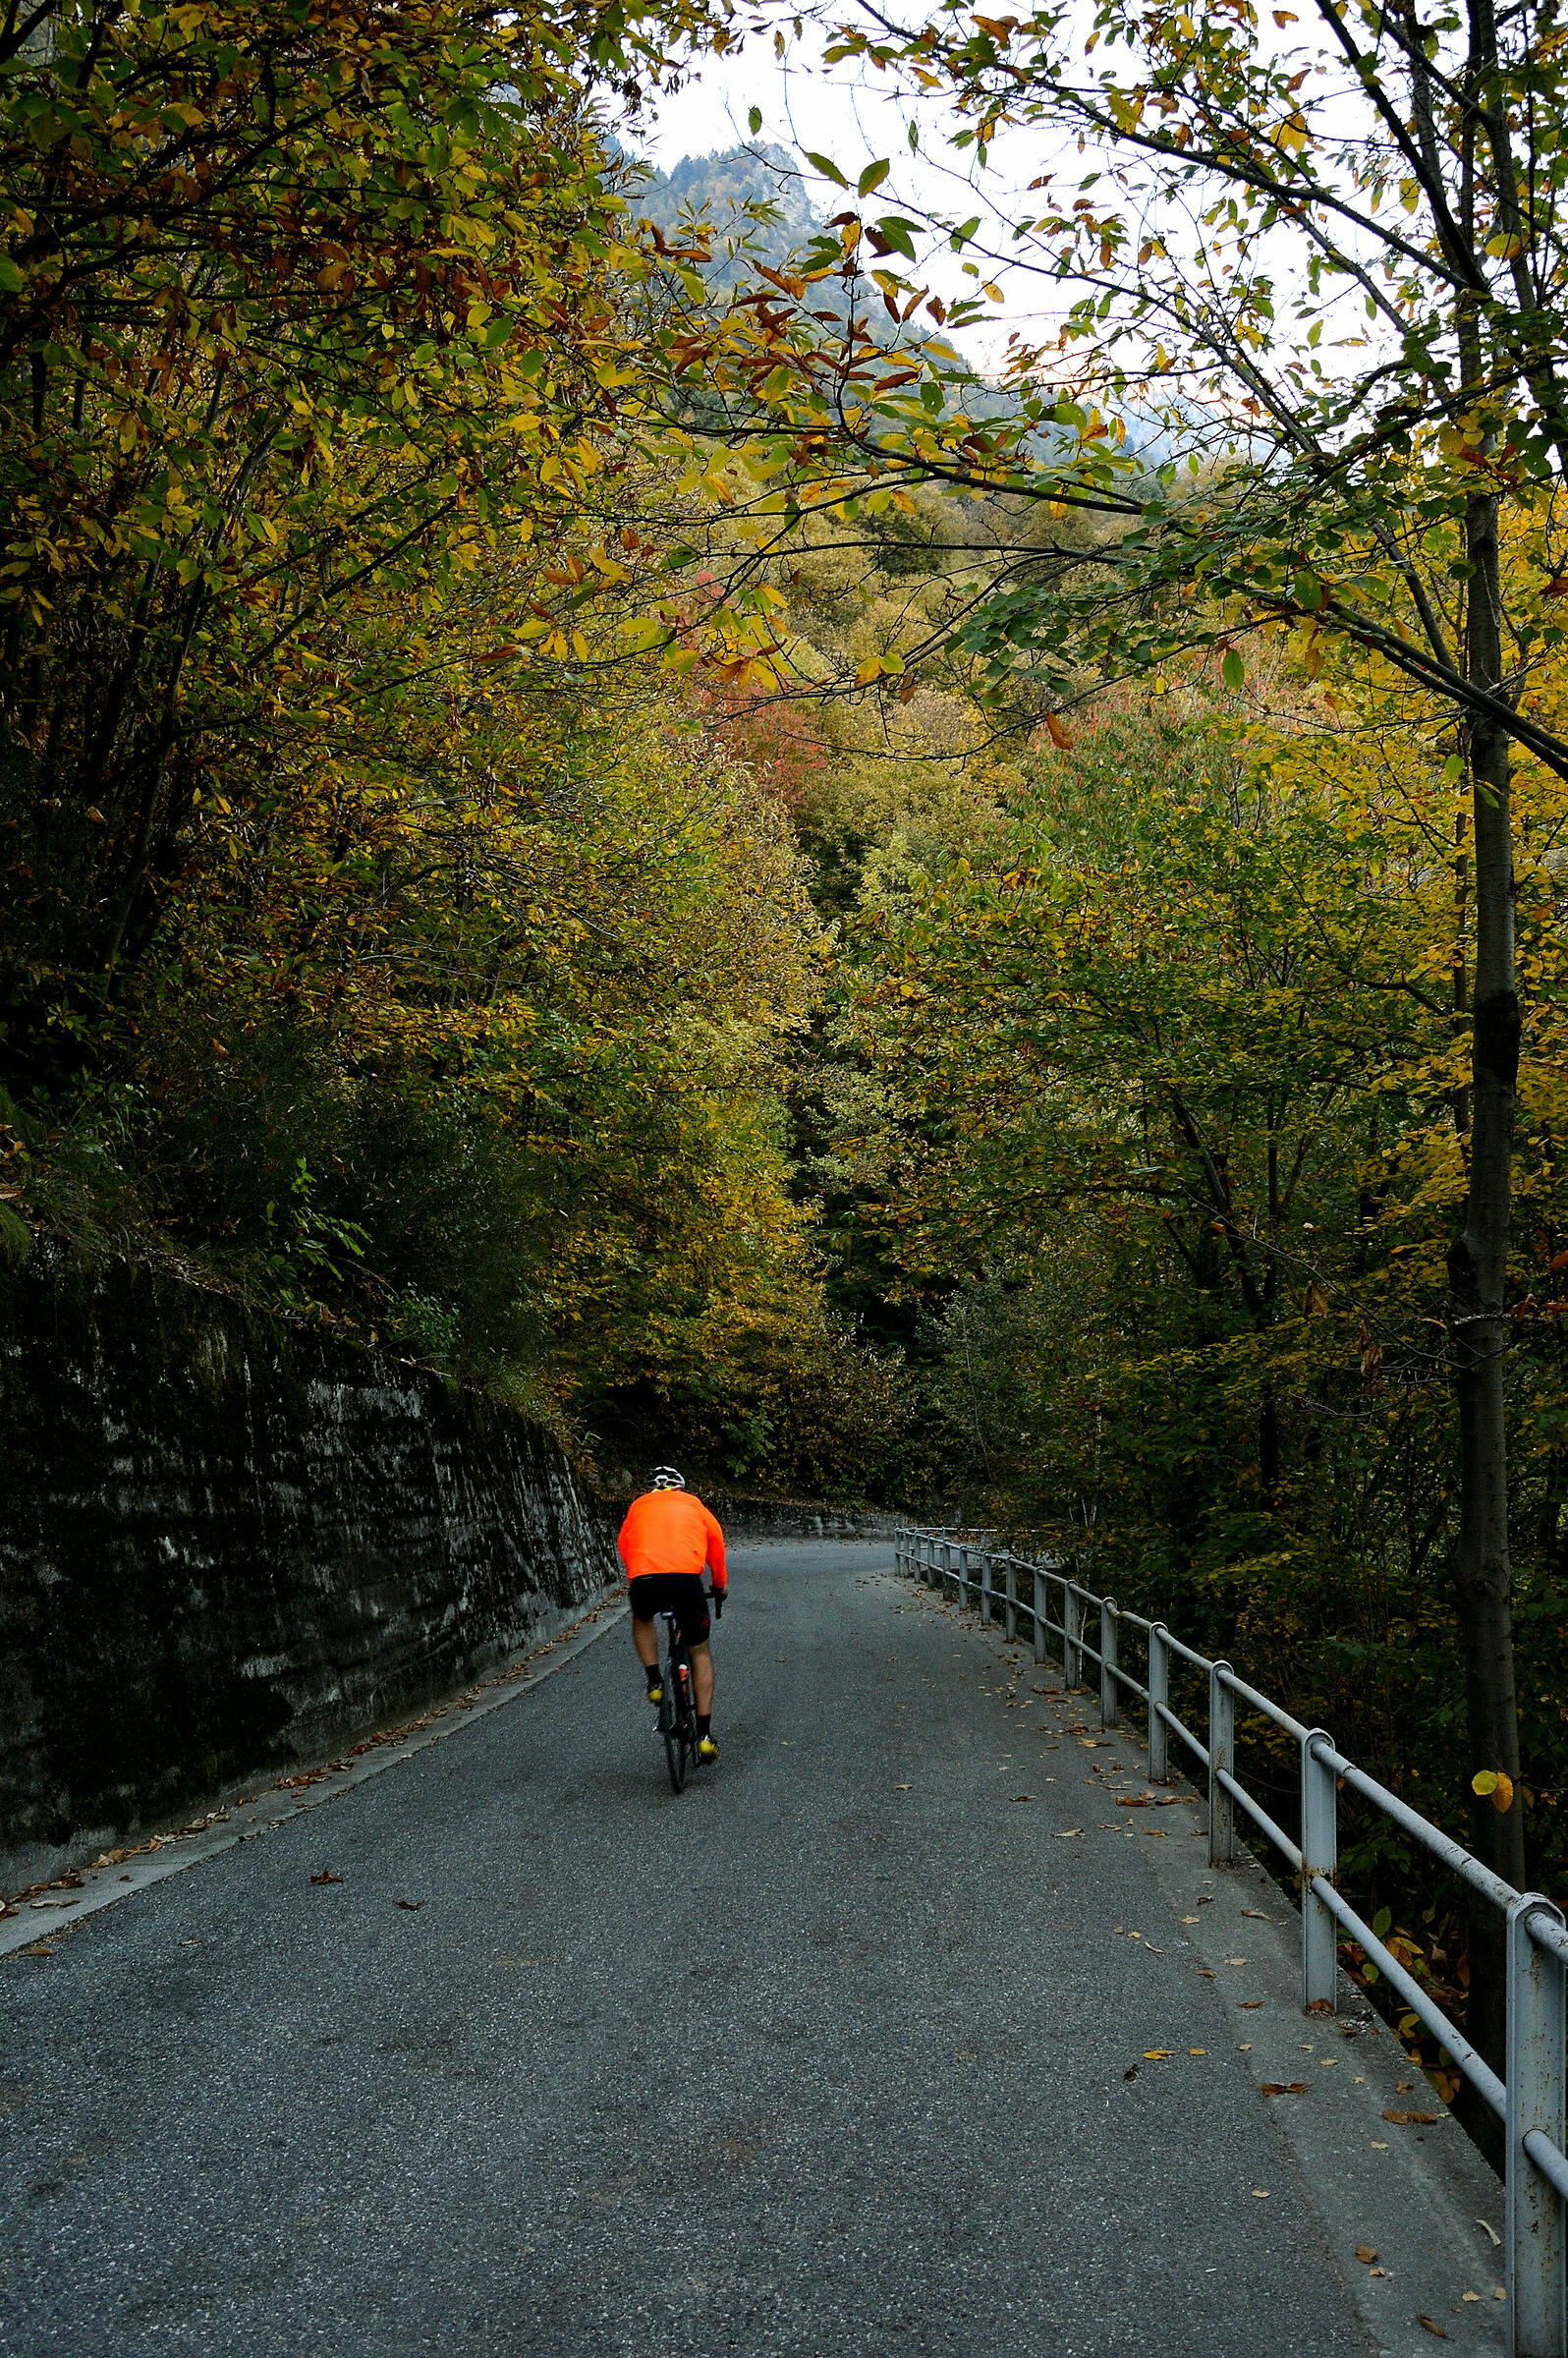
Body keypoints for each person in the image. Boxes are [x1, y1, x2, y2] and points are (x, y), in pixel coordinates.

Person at [618, 1467, 726, 1762]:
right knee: (699, 1652)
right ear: (679, 1487)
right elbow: (715, 1542)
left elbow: (625, 1543)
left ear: (650, 1488)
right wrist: (719, 1585)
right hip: (685, 1580)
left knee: (642, 1619)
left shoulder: (637, 1506)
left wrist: (637, 1573)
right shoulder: (693, 1504)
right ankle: (704, 1736)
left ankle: (655, 1681)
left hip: (644, 1577)